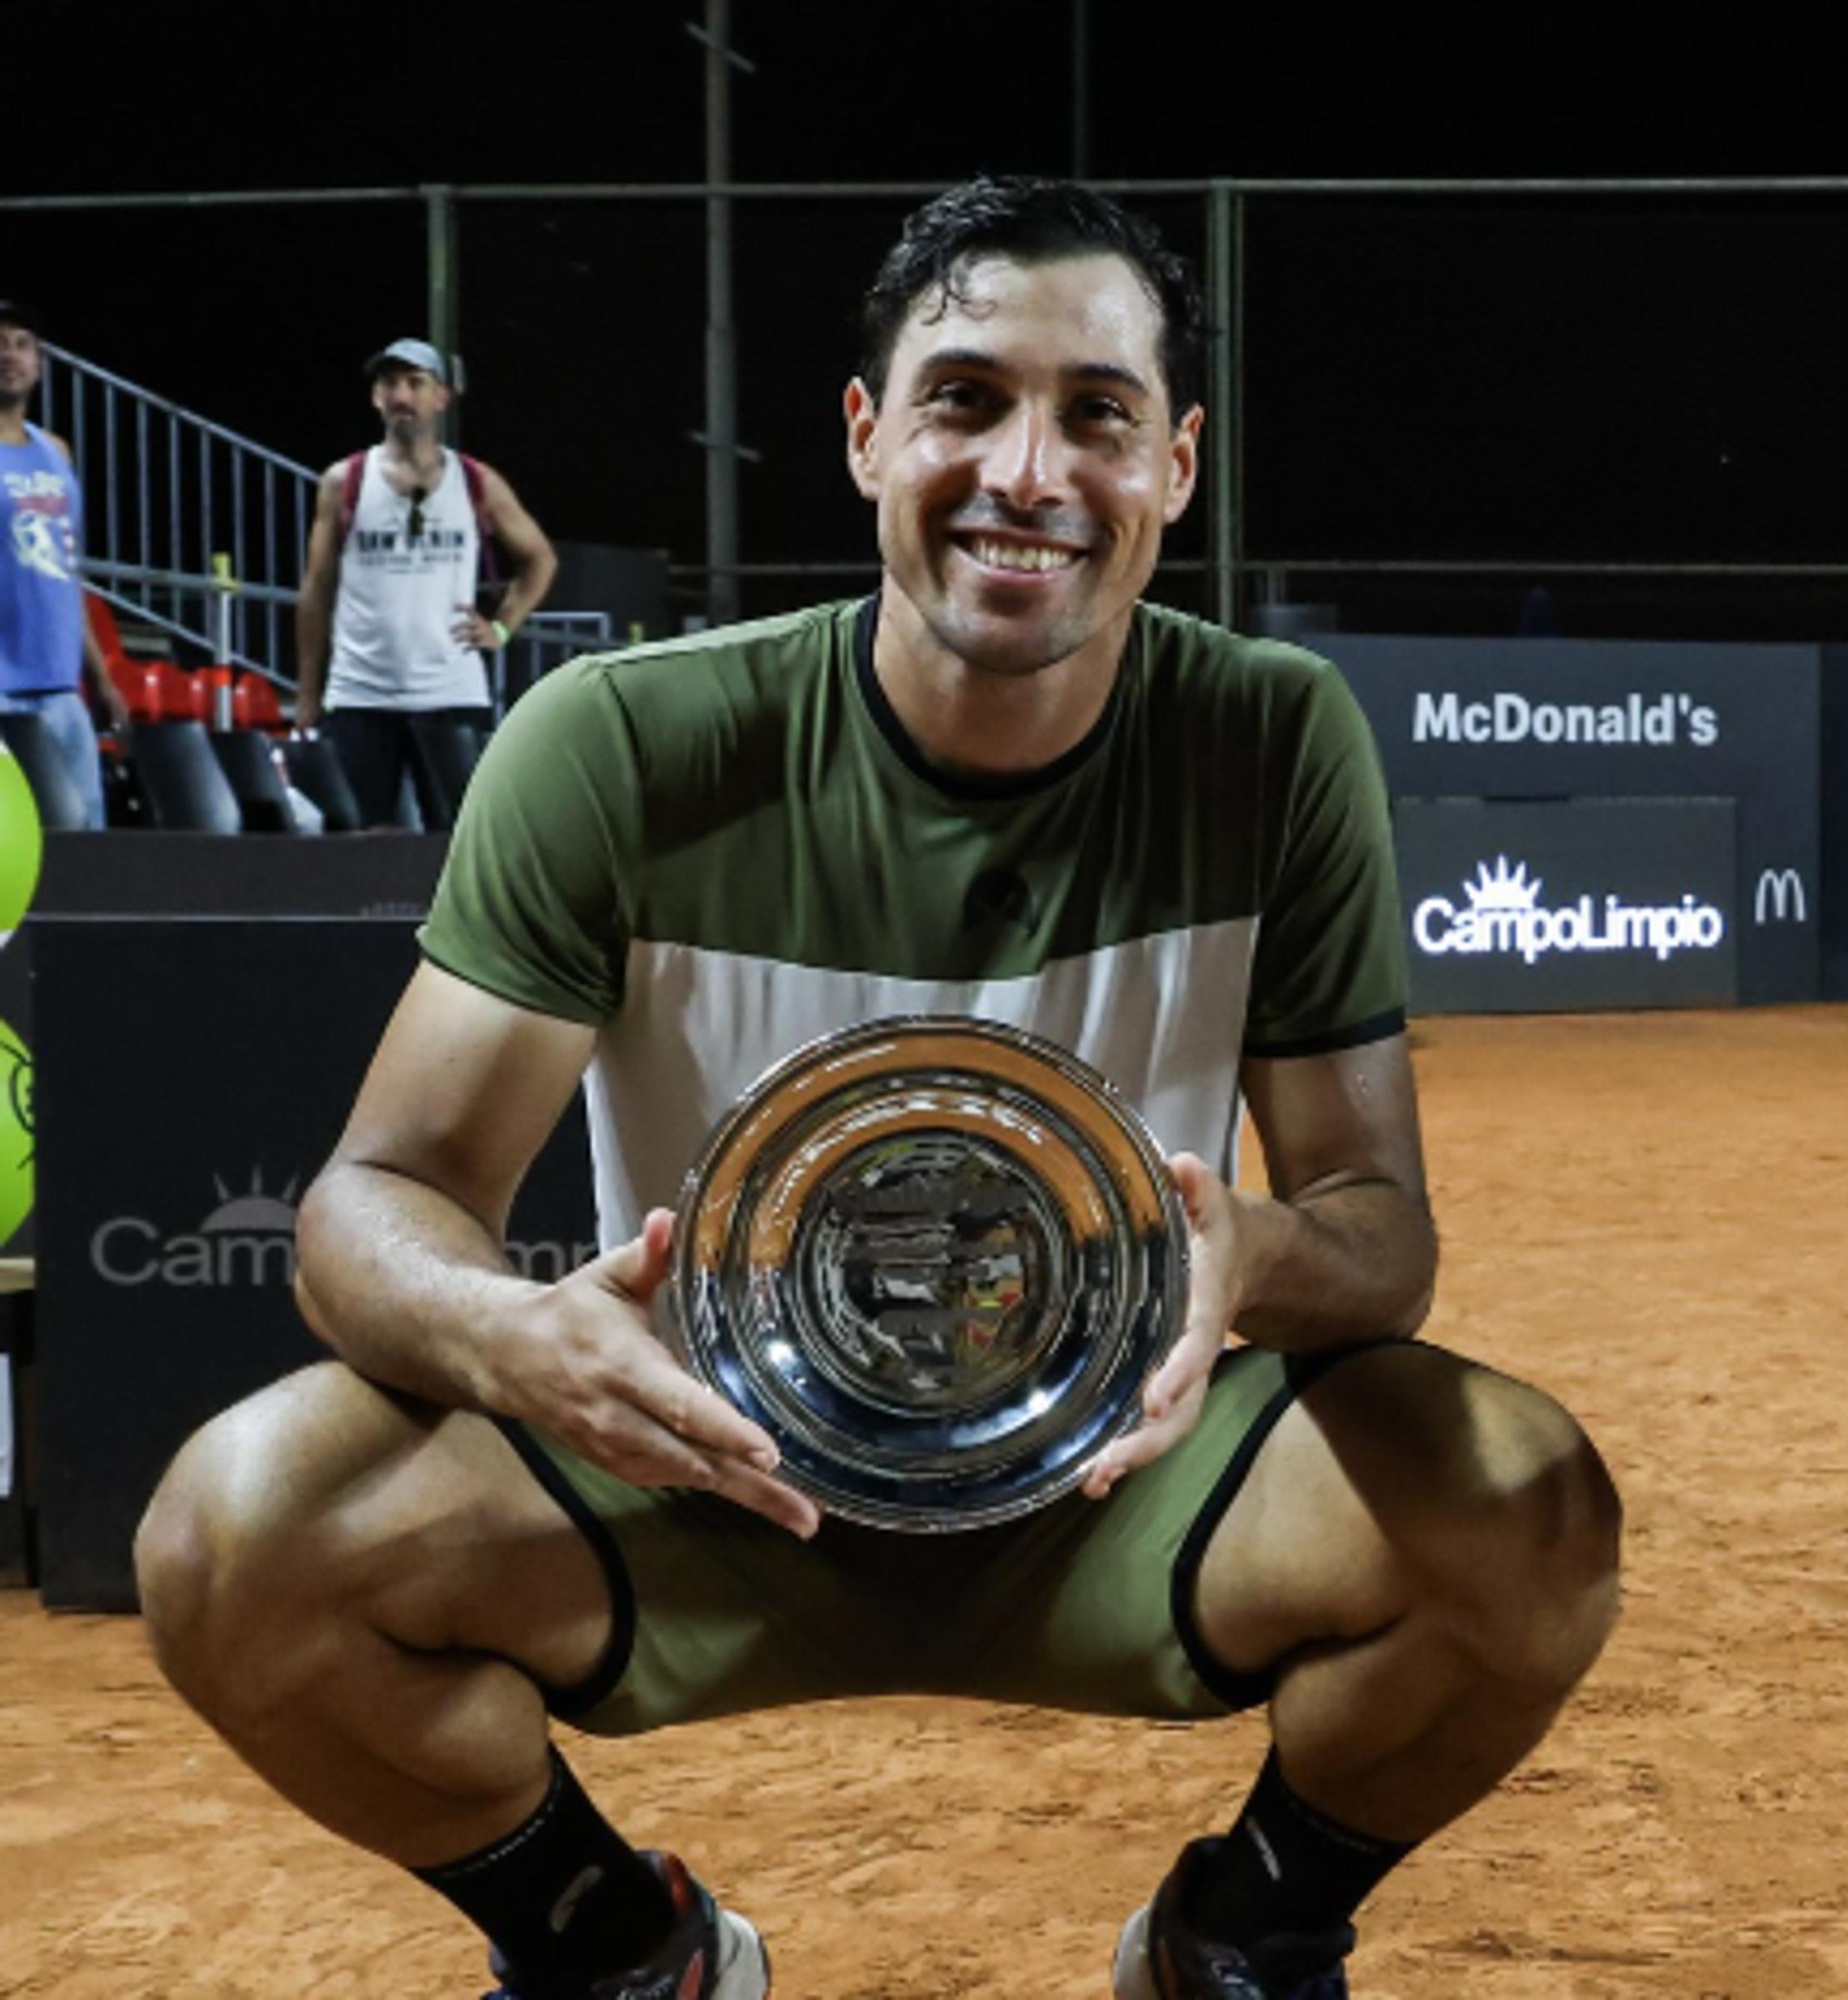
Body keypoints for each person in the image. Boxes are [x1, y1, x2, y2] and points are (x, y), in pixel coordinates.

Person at [137, 178, 1621, 2000]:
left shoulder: (1270, 736)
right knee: (238, 1534)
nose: (1027, 471)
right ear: (864, 435)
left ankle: (1243, 1934)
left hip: (1115, 1489)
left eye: (1098, 413)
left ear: (1177, 465)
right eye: (965, 398)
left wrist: (1246, 1257)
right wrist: (510, 1335)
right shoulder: (619, 741)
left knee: (1521, 1510)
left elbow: (1378, 1241)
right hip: (699, 1470)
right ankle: (617, 1946)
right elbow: (378, 1200)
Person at [295, 336, 558, 831]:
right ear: (376, 397)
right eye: (390, 383)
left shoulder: (476, 481)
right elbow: (316, 591)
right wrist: (308, 691)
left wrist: (501, 629)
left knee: (461, 845)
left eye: (416, 384)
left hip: (451, 693)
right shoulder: (344, 480)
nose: (401, 396)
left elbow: (540, 559)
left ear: (441, 397)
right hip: (360, 694)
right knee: (354, 846)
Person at [0, 299, 132, 825]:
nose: (8, 355)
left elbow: (66, 573)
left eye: (21, 344)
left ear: (40, 363)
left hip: (61, 690)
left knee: (82, 846)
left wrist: (100, 680)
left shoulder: (57, 453)